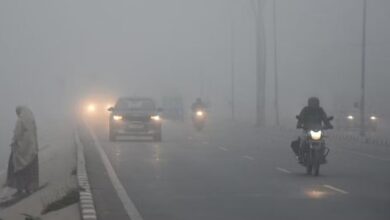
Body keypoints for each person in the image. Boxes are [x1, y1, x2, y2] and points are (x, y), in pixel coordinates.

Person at [6, 106, 39, 197]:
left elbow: (17, 135)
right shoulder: (31, 121)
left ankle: (20, 189)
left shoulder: (20, 121)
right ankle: (30, 187)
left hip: (20, 151)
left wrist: (13, 143)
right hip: (31, 150)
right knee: (30, 169)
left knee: (16, 168)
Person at [292, 97, 333, 162]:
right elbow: (301, 118)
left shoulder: (320, 110)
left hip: (318, 130)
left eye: (315, 103)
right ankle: (301, 155)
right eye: (312, 103)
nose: (314, 104)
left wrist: (328, 125)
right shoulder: (305, 110)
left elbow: (325, 119)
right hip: (307, 130)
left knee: (322, 142)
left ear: (318, 103)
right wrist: (299, 124)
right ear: (309, 103)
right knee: (302, 141)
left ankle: (321, 155)